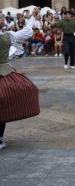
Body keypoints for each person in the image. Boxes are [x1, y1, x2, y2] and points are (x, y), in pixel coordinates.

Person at [0, 11, 40, 150]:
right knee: (4, 104)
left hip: (4, 72)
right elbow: (27, 32)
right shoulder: (7, 37)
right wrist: (33, 17)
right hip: (4, 74)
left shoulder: (7, 36)